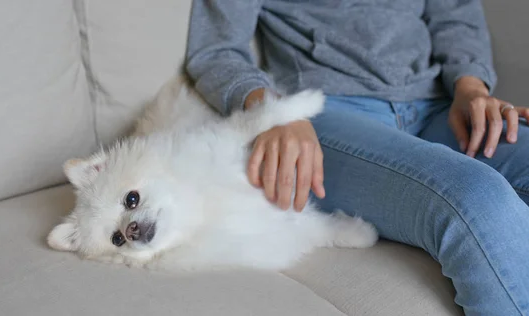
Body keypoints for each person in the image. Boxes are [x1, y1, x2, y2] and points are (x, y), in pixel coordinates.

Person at [183, 1, 529, 315]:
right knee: (478, 199)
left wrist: (472, 88)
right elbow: (217, 50)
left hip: (439, 105)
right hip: (330, 112)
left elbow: (455, 13)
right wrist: (275, 111)